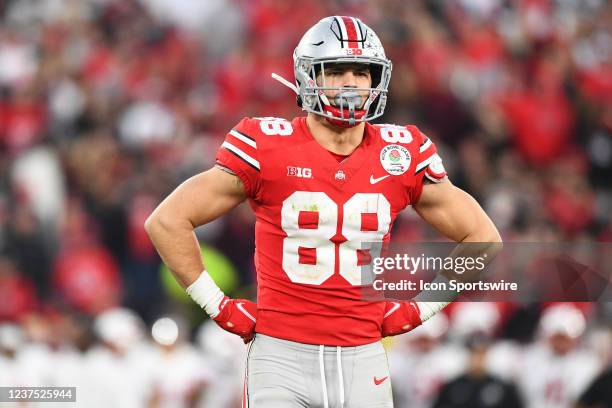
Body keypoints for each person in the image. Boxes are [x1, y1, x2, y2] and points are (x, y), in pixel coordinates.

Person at [145, 15, 501, 408]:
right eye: (336, 70)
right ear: (307, 77)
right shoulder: (266, 144)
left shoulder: (402, 153)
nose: (351, 81)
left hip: (363, 356)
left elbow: (483, 238)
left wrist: (421, 309)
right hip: (280, 356)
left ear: (376, 79)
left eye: (362, 71)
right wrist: (218, 306)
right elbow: (166, 221)